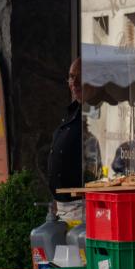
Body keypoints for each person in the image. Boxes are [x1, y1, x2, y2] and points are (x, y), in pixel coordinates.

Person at [48, 57, 101, 223]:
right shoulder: (74, 112)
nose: (75, 82)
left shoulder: (95, 113)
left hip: (82, 207)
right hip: (63, 208)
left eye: (81, 76)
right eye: (71, 76)